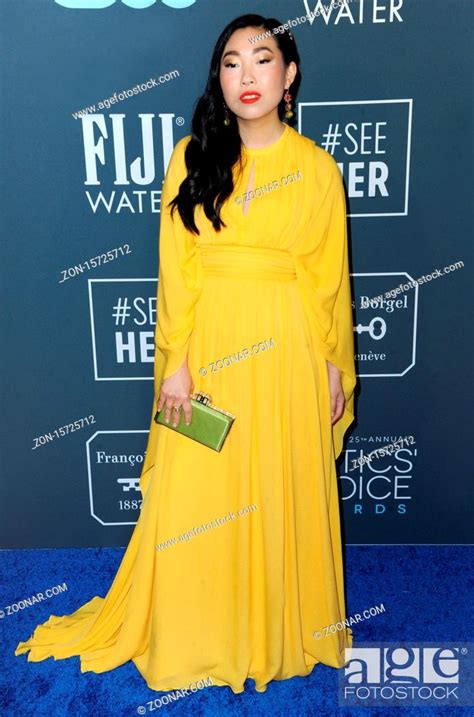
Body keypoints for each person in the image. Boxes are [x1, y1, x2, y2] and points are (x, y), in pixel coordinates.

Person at [15, 13, 357, 695]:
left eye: (263, 60)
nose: (247, 75)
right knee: (199, 488)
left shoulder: (318, 169)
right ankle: (198, 629)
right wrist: (173, 359)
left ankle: (274, 629)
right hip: (209, 345)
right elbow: (177, 267)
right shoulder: (191, 156)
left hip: (287, 347)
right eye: (232, 62)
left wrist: (329, 363)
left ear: (290, 77)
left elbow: (329, 279)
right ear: (218, 79)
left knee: (274, 481)